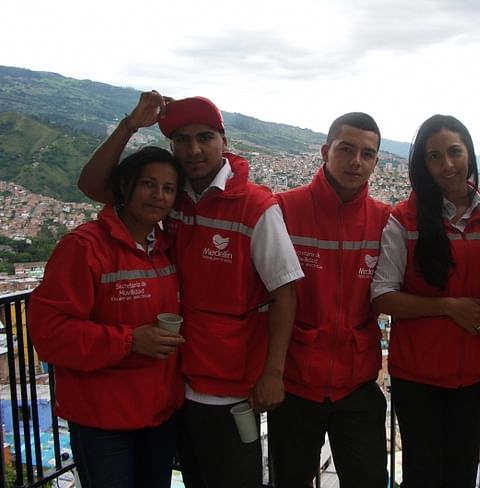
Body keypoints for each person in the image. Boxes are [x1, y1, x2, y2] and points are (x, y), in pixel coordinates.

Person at [77, 92, 304, 487]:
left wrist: (273, 374)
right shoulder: (171, 194)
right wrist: (130, 124)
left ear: (224, 142)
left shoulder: (256, 207)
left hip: (230, 389)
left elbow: (285, 291)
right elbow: (93, 185)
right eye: (181, 139)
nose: (193, 149)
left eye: (204, 137)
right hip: (175, 384)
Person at [28, 147, 186, 488]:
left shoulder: (168, 248)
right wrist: (130, 341)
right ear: (125, 186)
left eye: (169, 188)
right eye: (148, 184)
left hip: (159, 414)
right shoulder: (84, 247)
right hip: (102, 419)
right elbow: (49, 333)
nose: (159, 196)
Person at [370, 115, 480, 487]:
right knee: (422, 475)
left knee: (460, 475)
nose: (448, 165)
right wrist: (448, 307)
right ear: (422, 164)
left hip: (474, 376)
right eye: (434, 157)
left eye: (455, 152)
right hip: (418, 377)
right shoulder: (404, 221)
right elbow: (382, 295)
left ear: (469, 154)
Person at [268, 112, 391, 487]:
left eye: (368, 154)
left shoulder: (385, 220)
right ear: (325, 151)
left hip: (357, 384)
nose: (357, 161)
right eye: (347, 149)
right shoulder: (284, 210)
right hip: (294, 384)